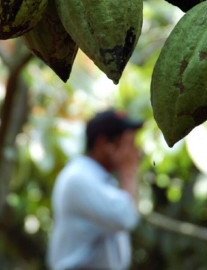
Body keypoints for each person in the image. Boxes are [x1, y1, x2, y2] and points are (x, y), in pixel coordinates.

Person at [48, 109, 144, 270]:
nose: (134, 151)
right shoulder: (79, 178)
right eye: (127, 143)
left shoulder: (96, 179)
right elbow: (125, 217)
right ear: (103, 144)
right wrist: (128, 171)